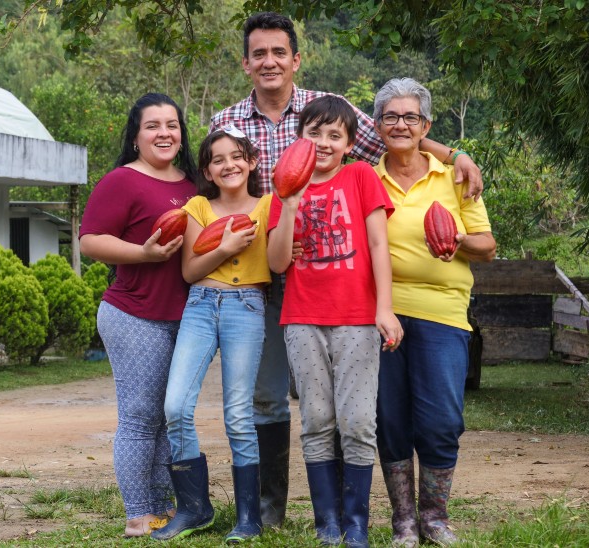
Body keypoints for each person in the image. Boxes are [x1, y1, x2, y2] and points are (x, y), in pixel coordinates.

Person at [210, 11, 485, 527]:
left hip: (340, 290)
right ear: (246, 63)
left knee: (350, 410)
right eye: (259, 53)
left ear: (295, 58)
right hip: (264, 274)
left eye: (279, 52)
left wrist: (456, 152)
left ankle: (343, 514)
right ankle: (271, 508)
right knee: (271, 396)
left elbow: (395, 134)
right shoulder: (226, 122)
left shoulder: (325, 114)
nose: (269, 62)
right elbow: (216, 182)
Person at [267, 96, 403, 547]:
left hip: (357, 319)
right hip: (303, 318)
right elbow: (277, 261)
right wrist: (288, 205)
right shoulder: (282, 187)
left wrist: (384, 308)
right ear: (299, 138)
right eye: (314, 133)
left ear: (348, 144)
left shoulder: (360, 176)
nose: (323, 143)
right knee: (317, 420)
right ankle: (327, 523)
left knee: (358, 422)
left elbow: (380, 247)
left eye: (334, 135)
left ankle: (356, 524)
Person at [371, 78, 496, 547]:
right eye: (391, 117)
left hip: (444, 314)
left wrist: (456, 239)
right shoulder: (365, 178)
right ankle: (404, 520)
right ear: (378, 125)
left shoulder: (455, 177)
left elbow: (487, 246)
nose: (400, 125)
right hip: (383, 314)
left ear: (425, 125)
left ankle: (435, 517)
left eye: (410, 117)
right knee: (391, 417)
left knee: (442, 419)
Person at [78, 92, 198, 538]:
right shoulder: (122, 181)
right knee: (140, 415)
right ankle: (137, 513)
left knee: (170, 415)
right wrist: (143, 253)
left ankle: (164, 507)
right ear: (135, 136)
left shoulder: (194, 185)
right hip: (134, 314)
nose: (164, 133)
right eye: (153, 125)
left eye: (171, 124)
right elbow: (89, 241)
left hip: (184, 318)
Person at [152, 127, 271, 542]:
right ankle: (194, 509)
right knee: (175, 406)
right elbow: (189, 271)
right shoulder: (198, 206)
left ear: (251, 161)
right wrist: (225, 246)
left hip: (247, 308)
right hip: (201, 306)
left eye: (236, 156)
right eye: (217, 159)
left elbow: (278, 261)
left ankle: (248, 518)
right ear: (207, 170)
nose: (228, 165)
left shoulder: (270, 206)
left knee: (238, 414)